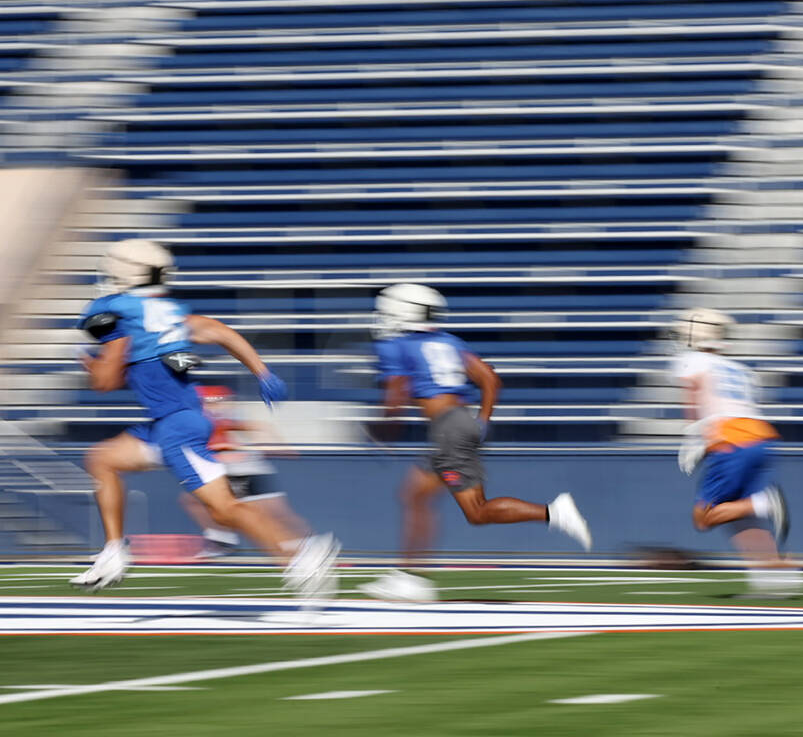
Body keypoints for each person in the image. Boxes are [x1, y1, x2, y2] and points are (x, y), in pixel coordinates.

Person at [70, 239, 338, 596]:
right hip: (169, 422)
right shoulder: (170, 314)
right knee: (102, 460)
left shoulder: (121, 318)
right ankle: (114, 551)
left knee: (224, 509)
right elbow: (218, 330)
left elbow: (105, 382)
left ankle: (302, 552)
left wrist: (89, 360)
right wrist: (263, 372)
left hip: (177, 427)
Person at [359, 283, 592, 602]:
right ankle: (408, 577)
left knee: (476, 512)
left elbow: (396, 393)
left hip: (447, 430)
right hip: (459, 423)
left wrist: (383, 428)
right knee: (415, 496)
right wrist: (481, 420)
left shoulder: (396, 345)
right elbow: (490, 378)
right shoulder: (448, 341)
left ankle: (554, 512)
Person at [672, 307, 803, 596]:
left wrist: (694, 434)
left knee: (703, 517)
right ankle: (774, 576)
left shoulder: (694, 359)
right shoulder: (738, 368)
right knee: (737, 516)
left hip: (731, 439)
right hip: (761, 436)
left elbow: (694, 393)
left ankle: (764, 503)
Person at [179, 385, 309, 558]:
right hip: (238, 465)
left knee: (270, 512)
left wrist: (279, 447)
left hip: (237, 467)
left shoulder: (206, 420)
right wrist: (280, 447)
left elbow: (255, 428)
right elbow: (259, 427)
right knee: (272, 512)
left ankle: (223, 540)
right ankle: (223, 540)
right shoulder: (207, 421)